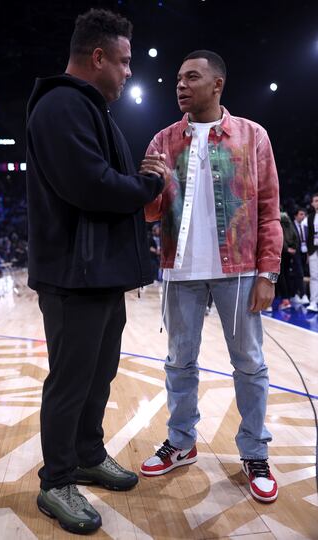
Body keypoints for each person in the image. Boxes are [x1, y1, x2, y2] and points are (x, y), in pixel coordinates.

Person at [26, 9, 166, 535]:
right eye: (125, 61)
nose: (129, 72)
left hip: (97, 273)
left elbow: (103, 181)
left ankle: (86, 454)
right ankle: (56, 480)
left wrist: (134, 183)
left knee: (98, 376)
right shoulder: (62, 104)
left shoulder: (87, 108)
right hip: (72, 275)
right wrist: (146, 184)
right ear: (98, 56)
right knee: (70, 381)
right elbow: (92, 186)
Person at [140, 50, 282, 503]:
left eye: (192, 78)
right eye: (178, 78)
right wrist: (151, 187)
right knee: (179, 363)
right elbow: (149, 215)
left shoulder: (253, 136)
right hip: (180, 271)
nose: (180, 85)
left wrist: (269, 273)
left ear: (217, 84)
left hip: (238, 271)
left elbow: (268, 211)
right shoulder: (162, 141)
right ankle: (181, 443)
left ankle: (255, 452)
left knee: (250, 364)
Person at [276, 211, 299, 310]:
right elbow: (296, 237)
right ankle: (288, 298)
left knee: (281, 276)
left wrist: (286, 249)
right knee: (286, 275)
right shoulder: (290, 223)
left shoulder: (279, 223)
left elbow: (281, 238)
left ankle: (285, 300)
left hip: (282, 252)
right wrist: (293, 248)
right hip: (290, 253)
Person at [303, 193, 318, 312]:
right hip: (313, 250)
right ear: (312, 203)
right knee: (314, 277)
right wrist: (308, 251)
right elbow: (308, 236)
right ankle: (313, 302)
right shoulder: (310, 218)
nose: (317, 202)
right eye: (315, 201)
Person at [292, 208, 309, 304]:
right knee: (299, 273)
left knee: (299, 274)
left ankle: (295, 294)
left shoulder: (305, 226)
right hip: (295, 253)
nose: (303, 216)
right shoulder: (291, 225)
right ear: (296, 215)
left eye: (304, 214)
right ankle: (303, 294)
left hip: (304, 253)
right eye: (301, 214)